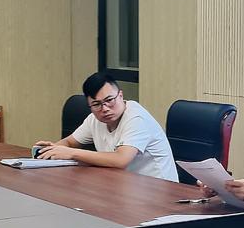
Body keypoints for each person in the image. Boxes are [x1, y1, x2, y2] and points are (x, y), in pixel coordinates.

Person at [34, 73, 177, 182]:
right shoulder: (94, 119)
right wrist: (52, 150)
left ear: (120, 95)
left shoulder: (137, 118)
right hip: (123, 185)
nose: (105, 108)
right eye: (96, 104)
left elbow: (120, 160)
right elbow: (70, 142)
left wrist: (71, 153)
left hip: (158, 192)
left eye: (109, 100)